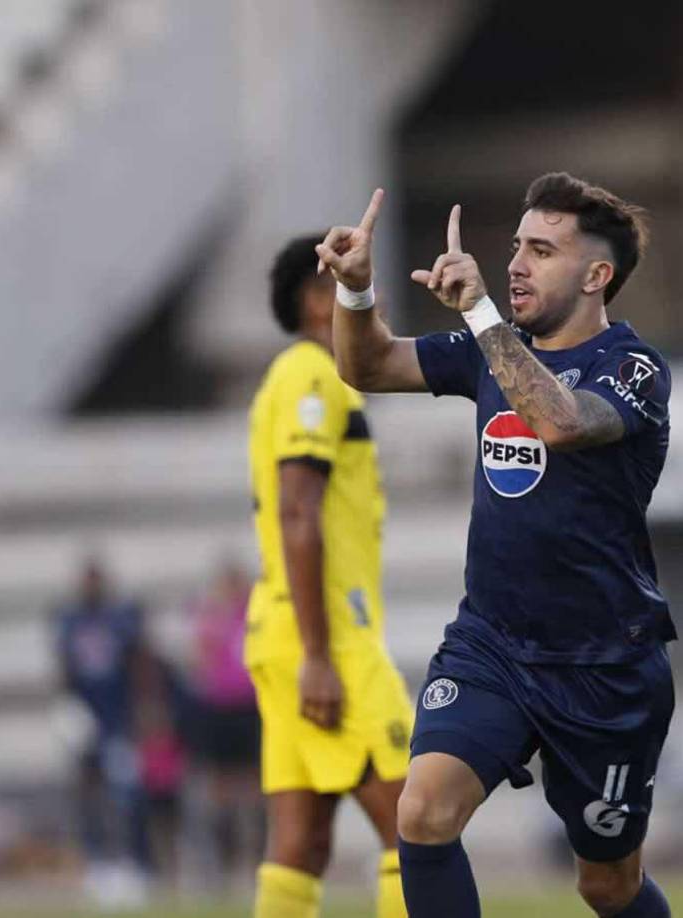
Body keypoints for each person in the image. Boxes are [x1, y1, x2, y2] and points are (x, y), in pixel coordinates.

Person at [319, 173, 676, 918]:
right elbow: (368, 365)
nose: (515, 263)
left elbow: (561, 423)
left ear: (595, 275)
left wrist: (480, 313)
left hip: (605, 666)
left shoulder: (634, 369)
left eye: (541, 251)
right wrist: (355, 293)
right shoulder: (491, 346)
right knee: (421, 814)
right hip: (495, 645)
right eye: (516, 246)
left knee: (606, 885)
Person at [246, 234, 414, 918]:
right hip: (326, 639)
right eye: (351, 286)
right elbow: (297, 510)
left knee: (302, 842)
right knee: (419, 823)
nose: (367, 299)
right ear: (320, 299)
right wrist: (319, 653)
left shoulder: (297, 378)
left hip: (284, 629)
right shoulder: (312, 375)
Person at [54, 558, 154, 899]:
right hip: (85, 718)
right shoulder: (68, 619)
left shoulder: (121, 617)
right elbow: (64, 667)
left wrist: (140, 714)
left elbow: (139, 664)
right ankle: (98, 862)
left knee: (127, 794)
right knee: (88, 792)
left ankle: (137, 863)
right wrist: (66, 709)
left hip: (118, 719)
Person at [189, 559, 262, 883]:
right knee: (219, 786)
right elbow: (200, 662)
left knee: (256, 784)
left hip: (251, 708)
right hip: (219, 709)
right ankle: (224, 861)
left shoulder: (255, 615)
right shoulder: (211, 618)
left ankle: (257, 858)